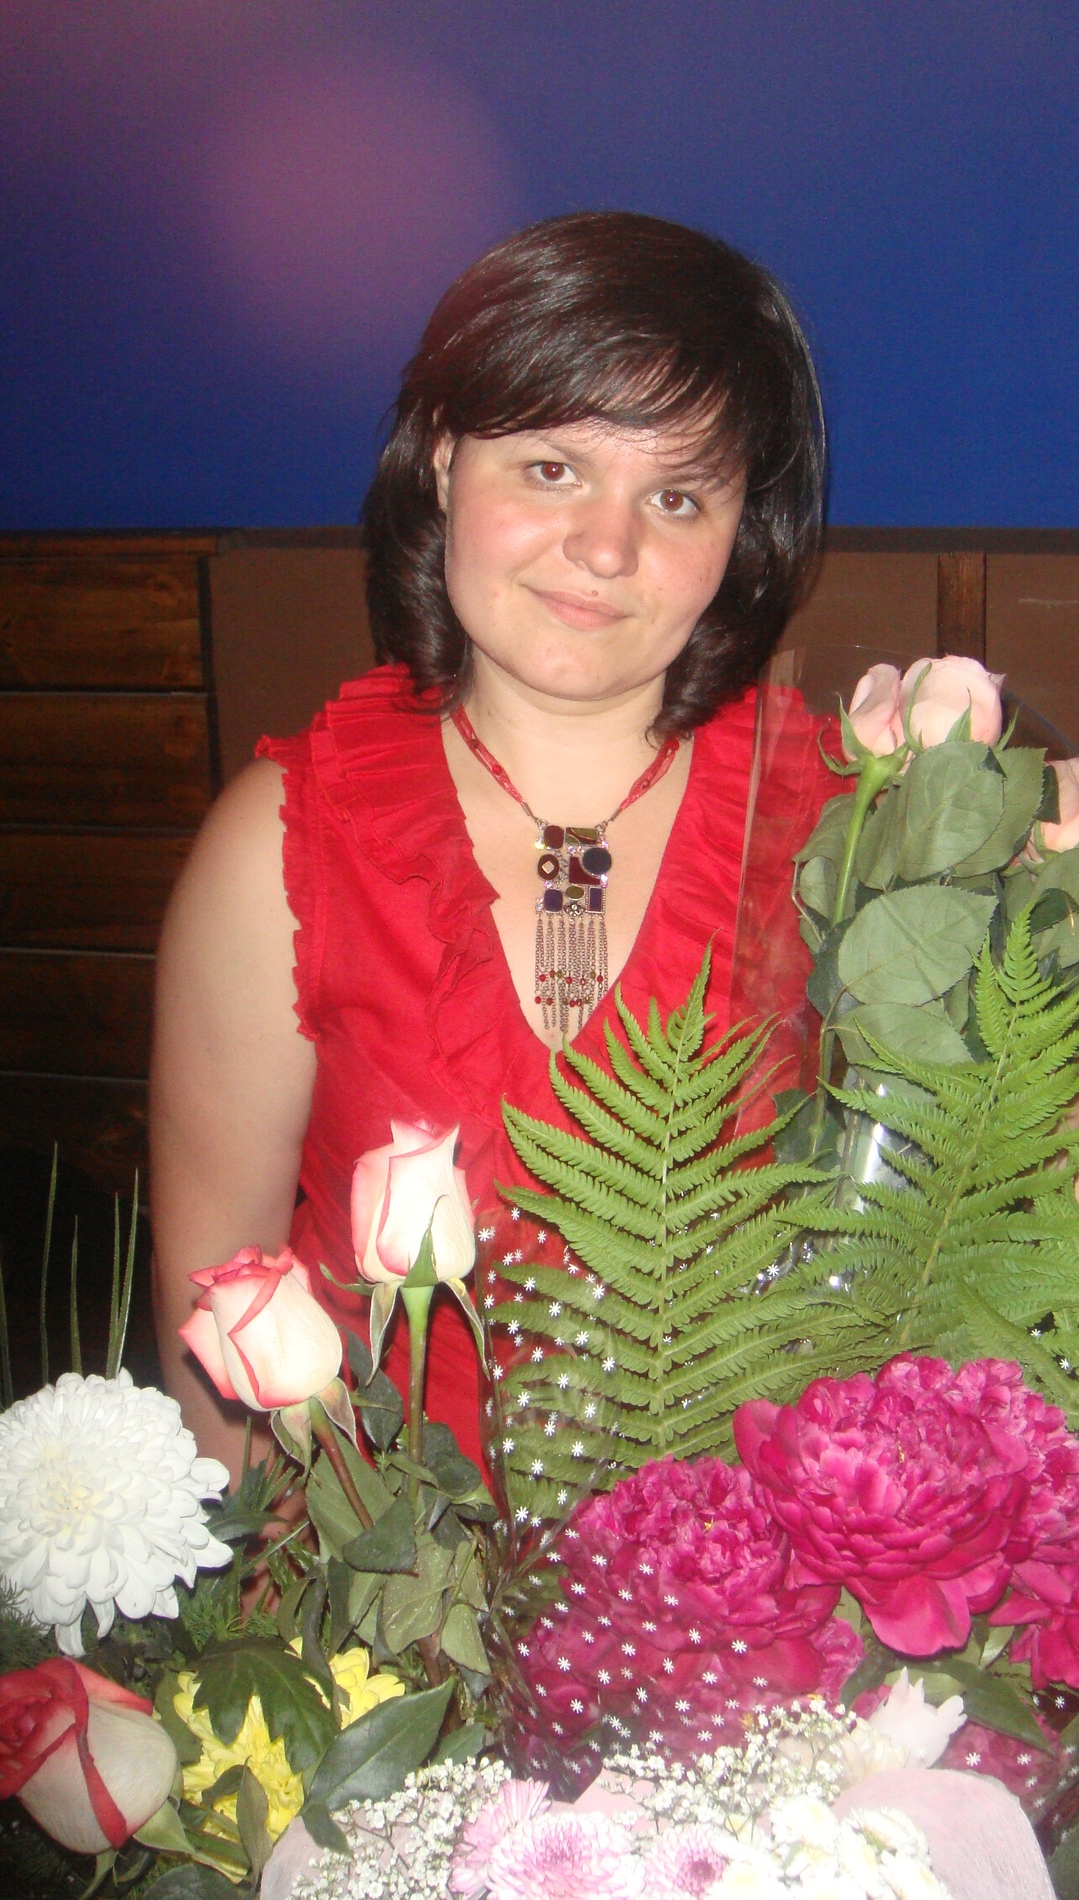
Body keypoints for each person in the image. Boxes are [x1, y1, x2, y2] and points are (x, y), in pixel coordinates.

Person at [150, 211, 836, 1478]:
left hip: (746, 1573)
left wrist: (1046, 870)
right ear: (443, 457)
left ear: (740, 533)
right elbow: (217, 1332)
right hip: (387, 1578)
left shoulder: (840, 822)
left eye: (675, 495)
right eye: (553, 467)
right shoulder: (282, 846)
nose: (607, 547)